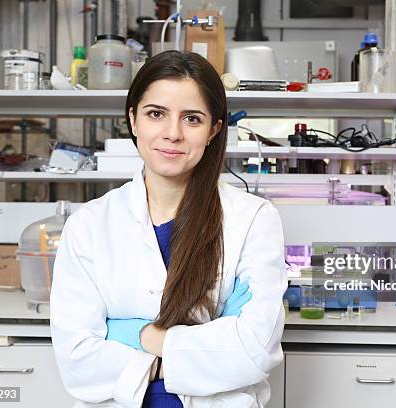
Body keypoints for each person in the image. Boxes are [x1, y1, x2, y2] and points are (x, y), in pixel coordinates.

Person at [50, 50, 287, 408]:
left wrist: (135, 334)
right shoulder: (89, 225)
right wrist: (201, 345)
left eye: (192, 118)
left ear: (214, 130)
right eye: (156, 114)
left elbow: (254, 348)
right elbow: (77, 360)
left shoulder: (252, 220)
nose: (172, 133)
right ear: (133, 120)